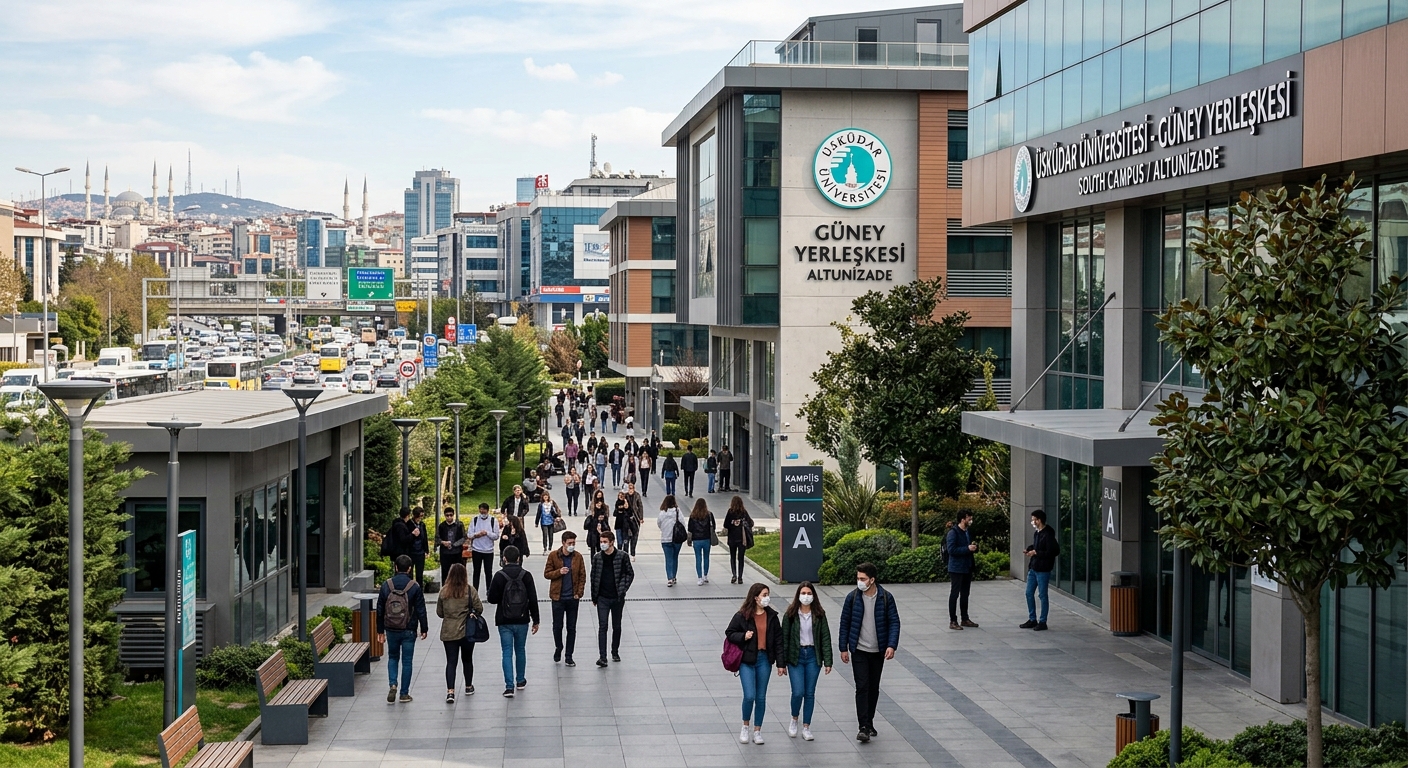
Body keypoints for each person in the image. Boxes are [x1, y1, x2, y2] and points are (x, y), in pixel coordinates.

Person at [838, 563, 901, 743]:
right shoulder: (852, 598)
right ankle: (863, 726)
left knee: (873, 687)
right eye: (858, 578)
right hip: (859, 650)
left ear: (872, 580)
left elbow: (894, 622)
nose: (859, 582)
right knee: (862, 686)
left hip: (878, 651)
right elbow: (845, 623)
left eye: (863, 579)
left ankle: (870, 721)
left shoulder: (885, 598)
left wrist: (891, 645)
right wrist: (843, 647)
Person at [725, 583, 782, 745]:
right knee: (749, 695)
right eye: (764, 595)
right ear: (755, 597)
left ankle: (757, 730)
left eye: (767, 594)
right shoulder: (742, 616)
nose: (767, 598)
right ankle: (745, 726)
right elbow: (730, 633)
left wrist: (780, 664)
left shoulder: (772, 616)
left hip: (764, 659)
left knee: (761, 697)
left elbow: (778, 640)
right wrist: (743, 636)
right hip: (747, 660)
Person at [779, 582, 833, 741]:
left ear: (813, 595)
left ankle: (807, 726)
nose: (806, 596)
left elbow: (825, 638)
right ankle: (794, 719)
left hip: (812, 656)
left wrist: (828, 661)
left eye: (809, 593)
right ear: (798, 595)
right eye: (803, 593)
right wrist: (782, 663)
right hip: (796, 656)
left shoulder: (819, 614)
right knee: (798, 692)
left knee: (809, 693)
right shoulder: (790, 614)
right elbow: (784, 639)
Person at [486, 545, 540, 698]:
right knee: (521, 650)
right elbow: (533, 599)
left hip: (504, 620)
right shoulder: (526, 575)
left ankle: (509, 686)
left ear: (504, 558)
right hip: (522, 619)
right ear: (518, 558)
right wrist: (536, 619)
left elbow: (491, 599)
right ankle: (521, 680)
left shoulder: (499, 575)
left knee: (507, 652)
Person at [377, 554, 428, 704]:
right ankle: (404, 693)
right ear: (410, 568)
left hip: (391, 628)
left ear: (396, 567)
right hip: (409, 629)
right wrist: (424, 628)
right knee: (407, 661)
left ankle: (393, 684)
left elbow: (380, 608)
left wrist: (380, 630)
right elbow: (420, 609)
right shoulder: (414, 586)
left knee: (392, 657)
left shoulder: (387, 585)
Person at [436, 562, 483, 703]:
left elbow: (439, 613)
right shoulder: (469, 590)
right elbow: (479, 608)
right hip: (467, 632)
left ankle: (450, 692)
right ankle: (468, 686)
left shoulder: (444, 591)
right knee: (467, 659)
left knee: (451, 662)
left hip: (449, 632)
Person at [590, 529, 635, 667]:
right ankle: (602, 657)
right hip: (602, 597)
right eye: (601, 541)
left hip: (617, 597)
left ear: (612, 542)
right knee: (602, 626)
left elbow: (630, 573)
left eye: (605, 542)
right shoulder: (597, 557)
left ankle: (614, 651)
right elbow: (593, 577)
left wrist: (622, 589)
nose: (602, 544)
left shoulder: (622, 556)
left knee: (616, 625)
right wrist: (594, 596)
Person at [544, 530, 586, 666]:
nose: (572, 545)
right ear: (563, 543)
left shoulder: (578, 557)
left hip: (572, 598)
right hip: (558, 597)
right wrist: (559, 572)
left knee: (571, 627)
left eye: (574, 543)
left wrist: (579, 593)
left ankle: (569, 655)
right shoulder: (554, 556)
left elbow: (582, 576)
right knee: (557, 626)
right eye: (569, 543)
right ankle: (559, 647)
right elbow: (547, 574)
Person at [1022, 509, 1058, 631]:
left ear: (1039, 520)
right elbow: (1036, 546)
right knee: (1028, 593)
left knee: (1042, 595)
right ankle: (1032, 619)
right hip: (1033, 567)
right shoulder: (1037, 533)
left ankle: (1043, 621)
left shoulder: (1048, 533)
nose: (1032, 522)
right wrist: (1030, 549)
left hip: (1043, 569)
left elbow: (1051, 551)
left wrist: (1036, 552)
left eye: (1034, 519)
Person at [946, 510, 979, 630]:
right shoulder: (953, 533)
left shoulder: (967, 532)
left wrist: (974, 548)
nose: (970, 520)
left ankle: (965, 618)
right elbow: (952, 550)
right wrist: (967, 549)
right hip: (956, 568)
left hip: (967, 567)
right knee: (954, 594)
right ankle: (953, 620)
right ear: (962, 519)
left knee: (965, 594)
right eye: (969, 518)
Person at [467, 503, 500, 590]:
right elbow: (469, 535)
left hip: (488, 550)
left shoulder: (493, 520)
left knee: (488, 572)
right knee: (476, 572)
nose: (482, 512)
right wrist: (476, 535)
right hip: (476, 550)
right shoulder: (474, 520)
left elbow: (496, 536)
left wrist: (487, 533)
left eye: (484, 511)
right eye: (481, 510)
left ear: (487, 511)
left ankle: (489, 590)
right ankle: (475, 590)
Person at [723, 496, 754, 584]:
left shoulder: (730, 512)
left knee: (732, 557)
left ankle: (734, 575)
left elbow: (725, 525)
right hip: (742, 539)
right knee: (741, 558)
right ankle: (740, 577)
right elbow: (751, 523)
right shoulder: (744, 512)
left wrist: (732, 523)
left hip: (732, 538)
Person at [656, 494, 685, 587]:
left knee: (668, 559)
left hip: (665, 539)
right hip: (676, 538)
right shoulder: (678, 511)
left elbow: (659, 523)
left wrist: (664, 530)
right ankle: (674, 576)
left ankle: (669, 578)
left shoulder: (662, 513)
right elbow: (683, 523)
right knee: (675, 557)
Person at [687, 498, 715, 585]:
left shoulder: (693, 515)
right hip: (706, 538)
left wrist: (690, 539)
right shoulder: (709, 514)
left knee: (698, 558)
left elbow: (690, 528)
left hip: (696, 540)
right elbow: (713, 526)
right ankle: (705, 575)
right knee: (706, 557)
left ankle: (699, 578)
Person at [437, 506, 466, 583]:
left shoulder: (459, 525)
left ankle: (458, 589)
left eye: (451, 515)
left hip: (457, 553)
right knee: (445, 573)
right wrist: (443, 542)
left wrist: (454, 544)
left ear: (453, 515)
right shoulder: (441, 526)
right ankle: (445, 590)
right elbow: (437, 538)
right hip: (445, 553)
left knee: (457, 573)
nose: (449, 517)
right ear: (444, 516)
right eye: (447, 515)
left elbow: (464, 537)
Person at [408, 507, 429, 585]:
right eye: (419, 516)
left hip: (420, 551)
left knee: (419, 573)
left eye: (421, 516)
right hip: (411, 551)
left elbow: (425, 538)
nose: (420, 518)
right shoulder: (409, 524)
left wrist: (426, 550)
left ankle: (419, 589)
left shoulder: (422, 525)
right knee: (409, 573)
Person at [625, 482, 645, 559]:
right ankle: (626, 553)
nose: (630, 491)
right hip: (627, 519)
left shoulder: (637, 496)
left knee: (635, 536)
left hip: (635, 519)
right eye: (629, 489)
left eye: (631, 489)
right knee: (627, 536)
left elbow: (640, 506)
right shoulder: (625, 496)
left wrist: (641, 518)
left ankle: (633, 553)